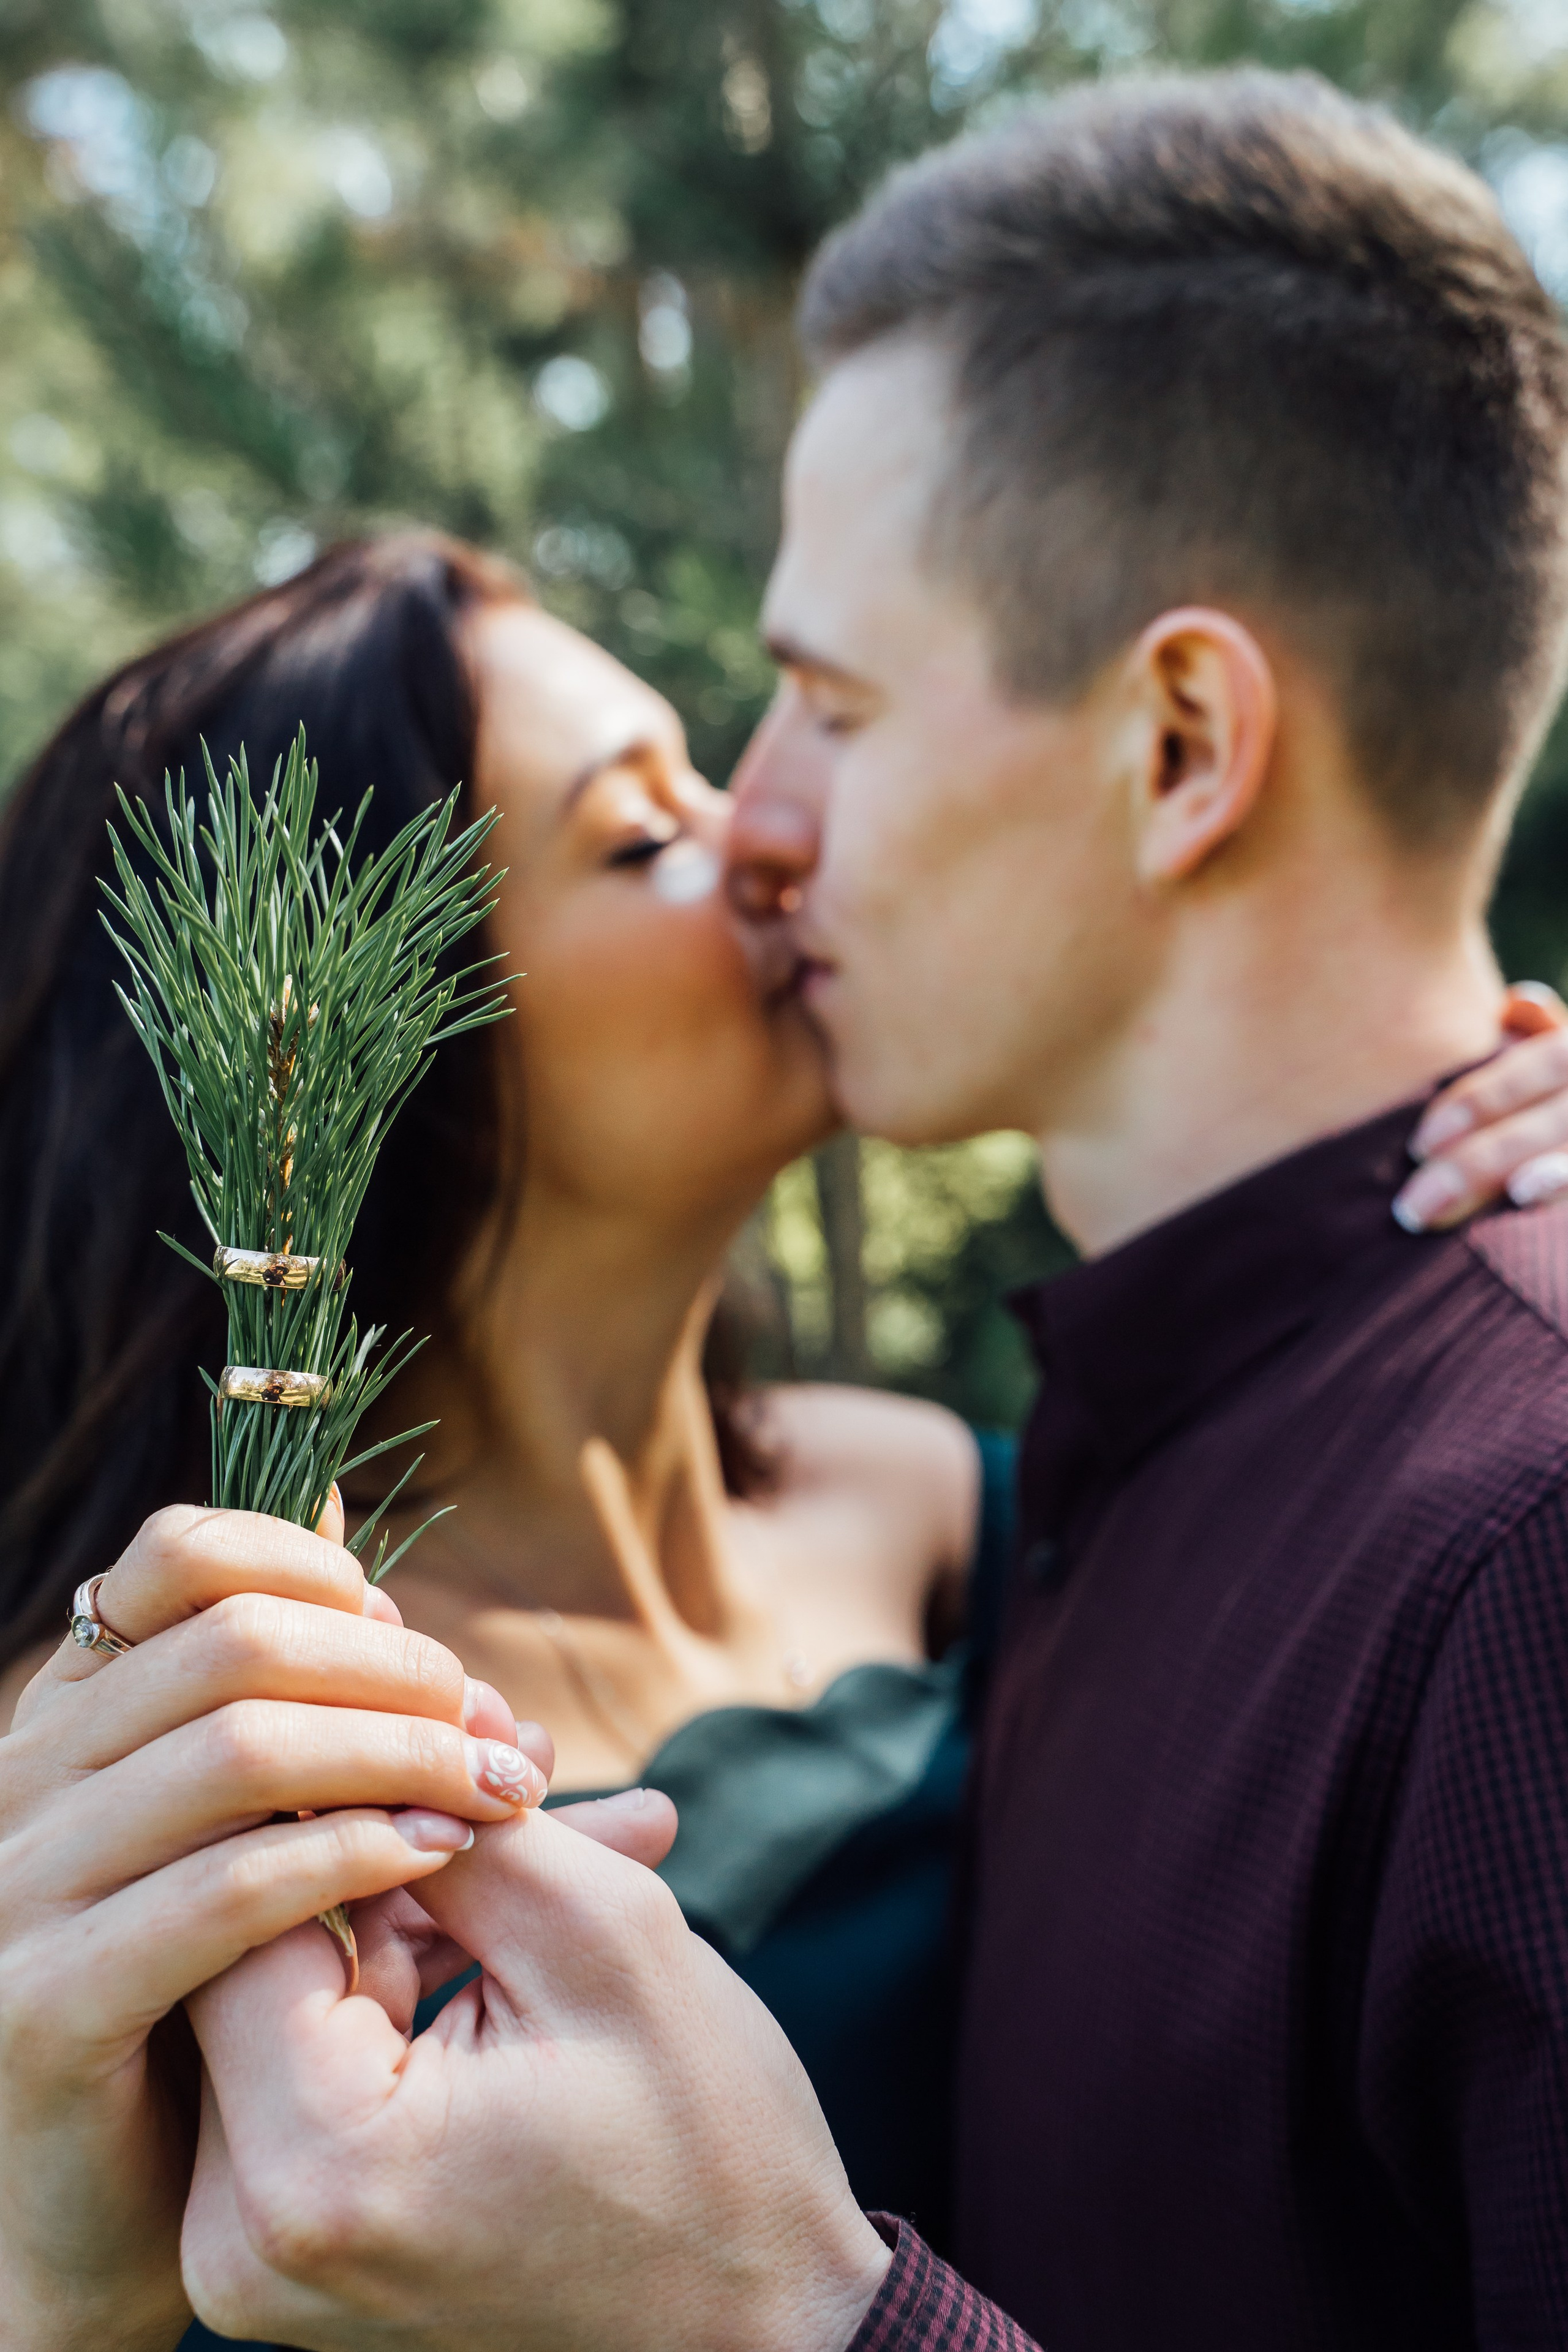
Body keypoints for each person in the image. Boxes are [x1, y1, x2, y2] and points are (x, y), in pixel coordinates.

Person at [160, 66, 1568, 2352]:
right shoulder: (1098, 1479)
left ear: (1184, 746)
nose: (769, 825)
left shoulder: (1522, 1548)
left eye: (825, 700)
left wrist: (795, 2320)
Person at [0, 528, 1011, 2351]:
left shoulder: (958, 1506)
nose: (776, 837)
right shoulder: (165, 1762)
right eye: (646, 836)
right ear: (330, 1044)